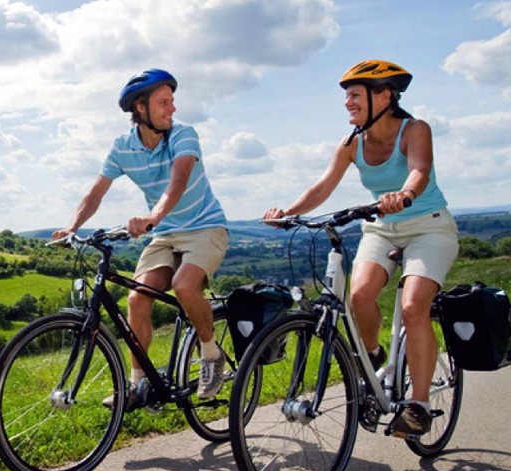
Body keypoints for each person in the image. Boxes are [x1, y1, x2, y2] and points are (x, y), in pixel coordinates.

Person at [263, 59, 458, 436]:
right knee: (359, 296)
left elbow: (420, 168)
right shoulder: (351, 143)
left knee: (414, 306)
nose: (348, 103)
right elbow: (322, 187)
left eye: (355, 95)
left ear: (384, 95)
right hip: (382, 229)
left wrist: (406, 192)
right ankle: (372, 358)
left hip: (429, 227)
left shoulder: (414, 129)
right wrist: (288, 211)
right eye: (347, 97)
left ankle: (418, 405)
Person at [54, 68, 230, 408]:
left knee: (183, 286)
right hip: (165, 235)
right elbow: (95, 192)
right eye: (164, 102)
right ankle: (138, 384)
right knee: (136, 299)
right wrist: (73, 226)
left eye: (172, 101)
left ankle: (211, 354)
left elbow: (177, 182)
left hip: (205, 228)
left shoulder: (184, 136)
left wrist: (152, 217)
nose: (172, 109)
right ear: (140, 108)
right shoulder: (123, 148)